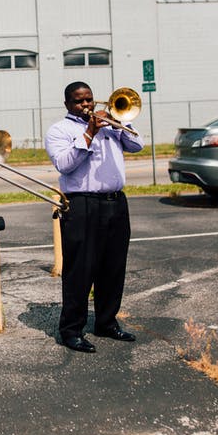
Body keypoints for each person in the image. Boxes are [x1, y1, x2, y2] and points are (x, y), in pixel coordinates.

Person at [45, 82, 144, 353]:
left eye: (89, 99)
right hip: (82, 204)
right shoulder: (59, 130)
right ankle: (71, 330)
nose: (87, 105)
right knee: (80, 270)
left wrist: (117, 122)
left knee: (113, 268)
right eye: (79, 101)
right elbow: (65, 164)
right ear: (67, 104)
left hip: (115, 203)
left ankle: (106, 322)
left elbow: (138, 145)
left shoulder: (110, 125)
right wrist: (90, 132)